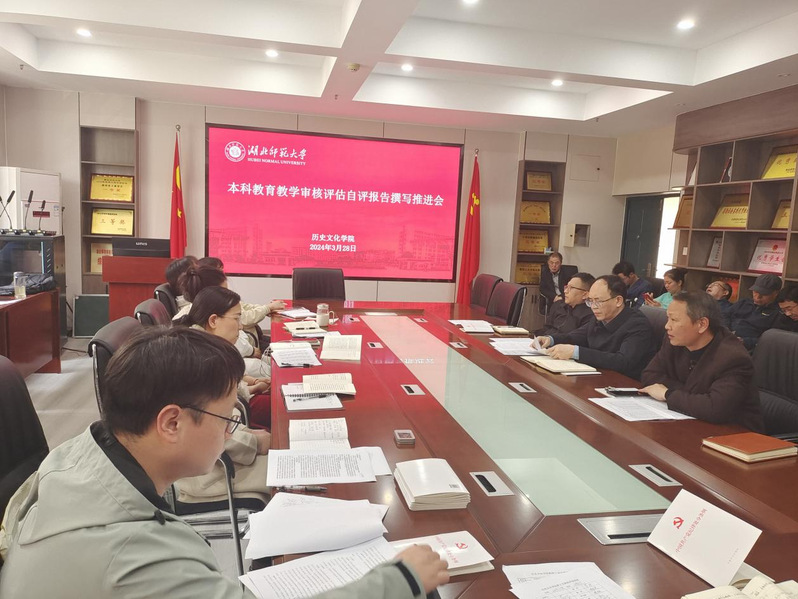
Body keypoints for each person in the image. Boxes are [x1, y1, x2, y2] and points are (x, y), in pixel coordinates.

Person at [0, 327, 449, 598]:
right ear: (171, 422)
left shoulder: (76, 457)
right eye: (225, 417)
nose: (232, 431)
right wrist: (402, 579)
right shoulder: (135, 556)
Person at [640, 292, 764, 432]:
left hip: (733, 435)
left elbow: (715, 409)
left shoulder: (732, 357)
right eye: (668, 318)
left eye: (674, 320)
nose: (667, 326)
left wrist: (667, 394)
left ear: (702, 324)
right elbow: (649, 375)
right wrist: (696, 398)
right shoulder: (674, 340)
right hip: (688, 421)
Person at [179, 286, 272, 428]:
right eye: (236, 318)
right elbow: (217, 419)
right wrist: (254, 439)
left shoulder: (208, 344)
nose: (240, 326)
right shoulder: (201, 358)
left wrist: (255, 385)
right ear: (213, 321)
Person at [534, 275, 654, 380]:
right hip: (598, 376)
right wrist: (551, 339)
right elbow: (577, 336)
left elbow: (622, 361)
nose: (593, 307)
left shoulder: (637, 325)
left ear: (618, 300)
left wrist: (575, 352)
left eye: (598, 301)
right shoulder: (600, 318)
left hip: (623, 384)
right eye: (590, 301)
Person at [724, 273, 783, 351]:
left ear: (775, 293)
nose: (757, 297)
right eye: (755, 292)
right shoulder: (743, 302)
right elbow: (724, 316)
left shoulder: (778, 313)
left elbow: (773, 341)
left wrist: (745, 341)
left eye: (763, 294)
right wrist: (725, 330)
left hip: (750, 349)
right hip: (727, 338)